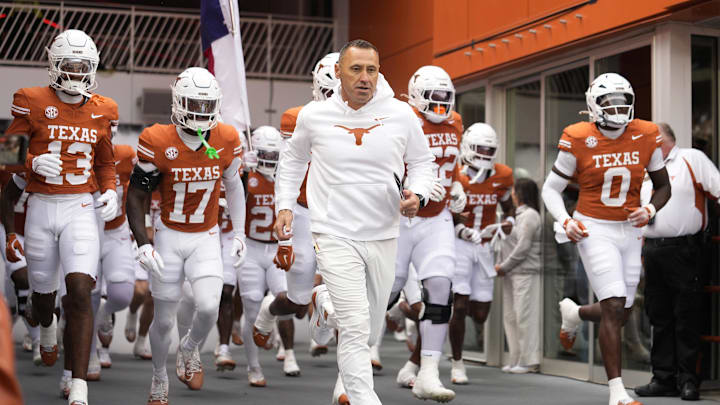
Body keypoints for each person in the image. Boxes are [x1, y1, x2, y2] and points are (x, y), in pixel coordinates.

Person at [274, 39, 435, 405]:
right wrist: (284, 204)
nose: (365, 78)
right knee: (356, 324)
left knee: (368, 330)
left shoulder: (401, 114)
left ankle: (322, 306)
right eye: (356, 69)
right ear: (338, 73)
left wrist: (418, 194)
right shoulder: (314, 116)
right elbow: (294, 160)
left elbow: (424, 164)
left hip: (383, 233)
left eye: (371, 70)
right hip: (333, 231)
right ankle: (364, 398)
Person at [4, 29, 119, 405]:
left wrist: (109, 190)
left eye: (82, 66)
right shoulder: (30, 100)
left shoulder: (104, 108)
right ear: (53, 65)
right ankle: (48, 324)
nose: (75, 73)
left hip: (80, 207)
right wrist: (33, 161)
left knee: (81, 292)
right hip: (41, 205)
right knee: (42, 299)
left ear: (93, 68)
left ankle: (78, 384)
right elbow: (8, 159)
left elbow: (105, 163)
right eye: (68, 65)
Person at [542, 72, 671, 405]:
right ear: (593, 105)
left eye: (622, 101)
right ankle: (617, 391)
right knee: (614, 305)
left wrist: (651, 210)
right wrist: (566, 220)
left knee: (623, 311)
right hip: (593, 227)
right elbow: (551, 189)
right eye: (609, 102)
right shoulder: (577, 136)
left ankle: (576, 314)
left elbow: (663, 185)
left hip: (630, 228)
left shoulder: (646, 133)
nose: (617, 108)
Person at [126, 67, 247, 405]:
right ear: (178, 102)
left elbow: (236, 187)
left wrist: (239, 233)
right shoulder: (157, 139)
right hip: (169, 235)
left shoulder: (225, 137)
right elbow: (136, 194)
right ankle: (159, 377)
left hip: (206, 235)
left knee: (209, 306)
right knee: (163, 320)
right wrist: (143, 242)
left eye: (207, 104)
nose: (200, 111)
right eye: (193, 102)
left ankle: (190, 347)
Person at [380, 65, 466, 400]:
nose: (442, 106)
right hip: (401, 219)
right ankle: (351, 366)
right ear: (417, 96)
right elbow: (386, 167)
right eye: (434, 98)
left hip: (437, 220)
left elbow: (451, 164)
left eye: (446, 99)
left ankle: (427, 375)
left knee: (441, 290)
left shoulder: (456, 122)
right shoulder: (402, 119)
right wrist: (417, 192)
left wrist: (456, 186)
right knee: (384, 294)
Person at [252, 52, 339, 361]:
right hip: (304, 211)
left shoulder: (368, 121)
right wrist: (285, 227)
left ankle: (349, 386)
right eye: (332, 91)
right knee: (297, 303)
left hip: (342, 216)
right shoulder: (298, 118)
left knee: (347, 293)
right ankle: (268, 310)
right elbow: (288, 172)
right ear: (318, 87)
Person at [634, 122, 720, 401]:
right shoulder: (646, 171)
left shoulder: (690, 158)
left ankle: (688, 380)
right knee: (658, 316)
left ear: (659, 140)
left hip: (684, 249)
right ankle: (663, 377)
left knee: (686, 315)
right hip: (653, 249)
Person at [447, 123, 514, 385]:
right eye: (480, 148)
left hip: (485, 246)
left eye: (490, 149)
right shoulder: (457, 177)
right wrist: (461, 229)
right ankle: (457, 362)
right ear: (467, 148)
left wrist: (509, 223)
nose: (485, 153)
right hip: (460, 245)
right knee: (460, 306)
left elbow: (509, 208)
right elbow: (445, 213)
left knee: (481, 313)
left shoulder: (502, 175)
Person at [238, 125, 299, 386]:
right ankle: (253, 366)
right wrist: (241, 173)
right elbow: (232, 200)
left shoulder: (286, 178)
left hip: (276, 247)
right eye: (266, 154)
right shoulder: (246, 177)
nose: (270, 160)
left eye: (275, 155)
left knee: (287, 300)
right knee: (251, 308)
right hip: (251, 248)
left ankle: (286, 349)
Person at [496, 177, 541, 374]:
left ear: (521, 193)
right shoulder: (520, 216)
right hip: (512, 274)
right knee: (511, 316)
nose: (512, 195)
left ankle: (529, 361)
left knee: (524, 317)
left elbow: (523, 247)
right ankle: (515, 357)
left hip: (525, 273)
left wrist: (503, 266)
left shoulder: (530, 215)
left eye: (514, 191)